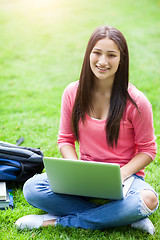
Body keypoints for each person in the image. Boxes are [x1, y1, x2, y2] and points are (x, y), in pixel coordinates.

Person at [15, 25, 159, 234]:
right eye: (97, 53)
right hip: (85, 177)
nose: (102, 61)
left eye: (111, 55)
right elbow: (65, 139)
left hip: (125, 180)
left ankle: (56, 221)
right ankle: (120, 217)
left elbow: (148, 150)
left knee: (149, 200)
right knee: (32, 188)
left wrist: (123, 174)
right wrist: (75, 170)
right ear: (88, 54)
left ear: (122, 59)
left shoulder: (137, 102)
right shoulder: (73, 92)